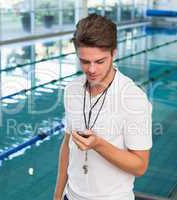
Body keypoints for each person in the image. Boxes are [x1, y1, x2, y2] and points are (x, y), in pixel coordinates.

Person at [54, 13, 152, 200]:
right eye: (84, 61)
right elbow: (67, 146)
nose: (91, 69)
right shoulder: (72, 89)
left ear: (113, 53)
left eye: (99, 61)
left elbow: (140, 166)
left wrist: (98, 144)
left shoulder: (133, 98)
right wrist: (58, 195)